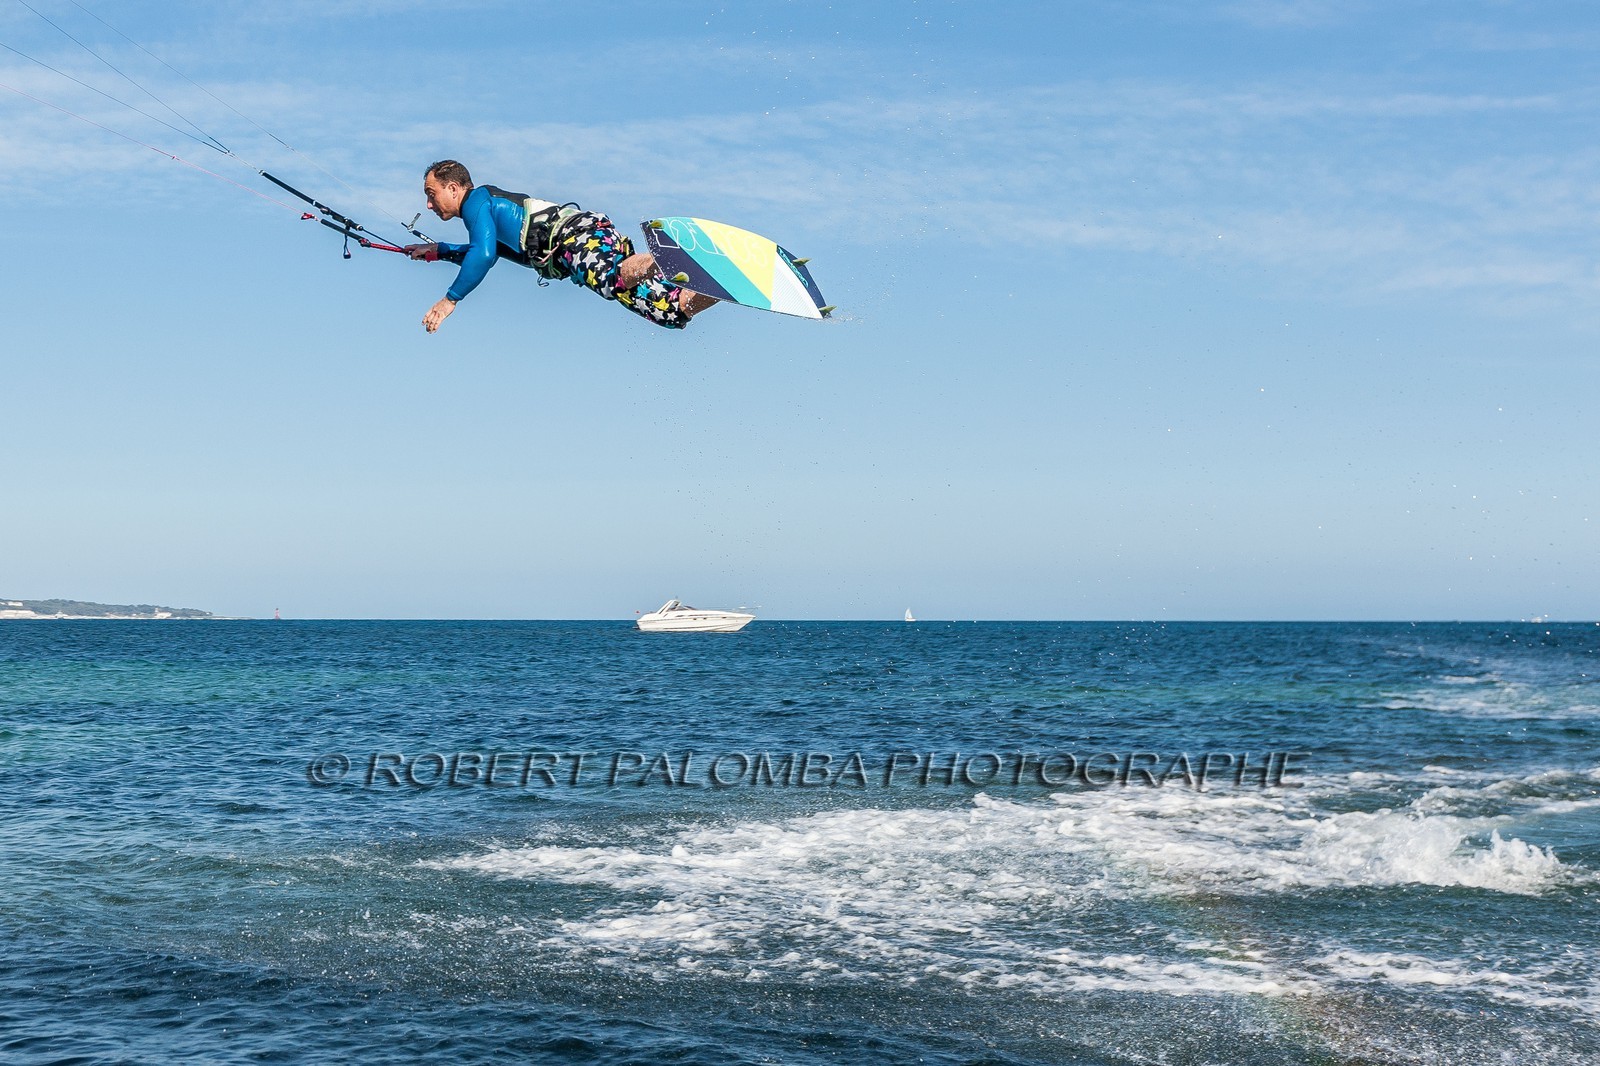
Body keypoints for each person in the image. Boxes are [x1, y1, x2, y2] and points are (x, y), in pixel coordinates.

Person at [403, 160, 718, 333]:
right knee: (671, 311)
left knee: (612, 281)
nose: (429, 204)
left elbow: (483, 254)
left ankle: (674, 255)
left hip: (574, 237)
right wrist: (438, 252)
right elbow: (488, 251)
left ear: (454, 188)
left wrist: (450, 301)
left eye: (431, 193)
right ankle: (720, 282)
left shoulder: (476, 202)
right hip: (584, 245)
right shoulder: (482, 217)